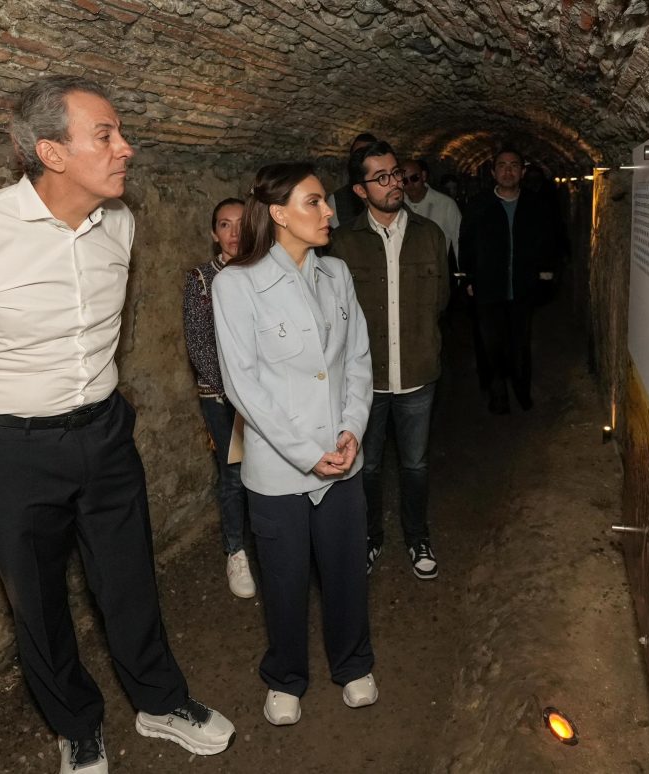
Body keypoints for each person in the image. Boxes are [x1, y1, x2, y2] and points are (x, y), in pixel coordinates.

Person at [0, 75, 234, 774]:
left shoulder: (121, 223)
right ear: (50, 152)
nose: (127, 148)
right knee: (39, 601)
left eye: (120, 133)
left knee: (129, 579)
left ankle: (160, 701)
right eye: (106, 135)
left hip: (105, 435)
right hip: (7, 449)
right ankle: (76, 724)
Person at [211, 162, 377, 727]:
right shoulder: (236, 284)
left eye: (326, 202)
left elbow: (356, 359)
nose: (328, 212)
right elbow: (243, 385)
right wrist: (308, 453)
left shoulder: (337, 274)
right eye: (314, 202)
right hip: (280, 469)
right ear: (278, 214)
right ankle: (286, 676)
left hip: (343, 456)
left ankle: (353, 663)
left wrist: (352, 428)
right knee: (283, 582)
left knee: (346, 571)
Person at [330, 141, 449, 580]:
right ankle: (369, 536)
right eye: (381, 177)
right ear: (360, 191)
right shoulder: (342, 244)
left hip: (418, 374)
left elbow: (440, 302)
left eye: (395, 173)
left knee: (416, 465)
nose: (394, 183)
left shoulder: (430, 236)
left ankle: (418, 537)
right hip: (366, 381)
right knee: (369, 466)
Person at [182, 198, 256, 599]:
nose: (233, 233)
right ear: (214, 234)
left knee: (270, 470)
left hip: (266, 396)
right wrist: (238, 395)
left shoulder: (268, 272)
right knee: (233, 475)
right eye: (224, 225)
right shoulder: (201, 279)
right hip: (223, 400)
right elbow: (200, 347)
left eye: (241, 224)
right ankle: (235, 550)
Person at [459, 147, 562, 414]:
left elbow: (549, 242)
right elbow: (466, 243)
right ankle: (497, 391)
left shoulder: (536, 206)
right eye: (502, 166)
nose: (508, 171)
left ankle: (521, 388)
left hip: (523, 286)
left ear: (523, 171)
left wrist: (546, 274)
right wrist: (468, 277)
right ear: (493, 172)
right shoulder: (479, 206)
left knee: (520, 342)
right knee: (491, 343)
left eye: (514, 165)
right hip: (488, 287)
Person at [400, 157, 462, 289]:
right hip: (405, 279)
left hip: (436, 279)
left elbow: (459, 241)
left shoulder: (446, 204)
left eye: (414, 178)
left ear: (423, 176)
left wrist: (463, 277)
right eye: (405, 181)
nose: (410, 184)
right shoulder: (398, 206)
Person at [327, 132, 376, 229]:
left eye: (368, 155)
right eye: (358, 155)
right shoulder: (337, 201)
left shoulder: (391, 192)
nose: (362, 161)